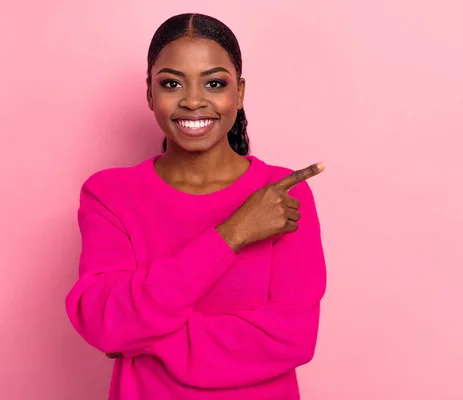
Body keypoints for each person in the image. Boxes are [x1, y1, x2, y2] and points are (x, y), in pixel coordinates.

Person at [65, 13, 327, 400]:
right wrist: (233, 233)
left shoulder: (281, 194)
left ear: (238, 93)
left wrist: (144, 340)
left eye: (214, 83)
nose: (192, 100)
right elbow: (106, 319)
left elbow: (291, 338)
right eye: (172, 83)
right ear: (150, 93)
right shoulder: (110, 194)